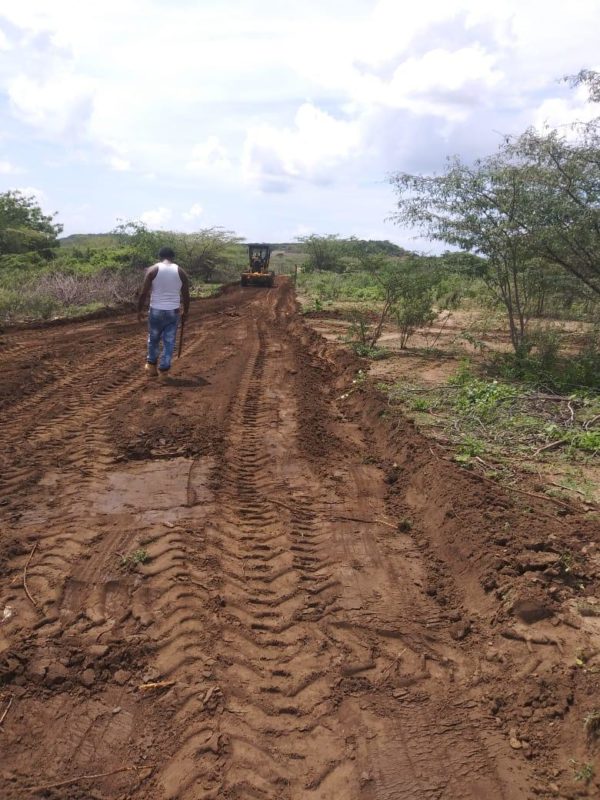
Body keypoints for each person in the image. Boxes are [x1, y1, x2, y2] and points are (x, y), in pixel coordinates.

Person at [137, 246, 190, 378]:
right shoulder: (181, 271)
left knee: (153, 338)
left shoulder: (153, 270)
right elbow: (186, 295)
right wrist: (186, 312)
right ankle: (164, 370)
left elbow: (143, 293)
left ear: (160, 256)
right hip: (173, 312)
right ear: (172, 257)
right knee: (169, 341)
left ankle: (151, 366)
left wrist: (139, 310)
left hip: (155, 310)